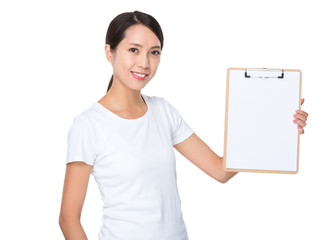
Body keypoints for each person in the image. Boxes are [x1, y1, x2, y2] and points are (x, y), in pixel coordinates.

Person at [59, 10, 309, 240]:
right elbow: (68, 219)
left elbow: (220, 171)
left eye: (154, 52)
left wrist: (271, 121)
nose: (144, 63)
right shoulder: (89, 125)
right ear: (109, 52)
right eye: (134, 50)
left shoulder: (163, 111)